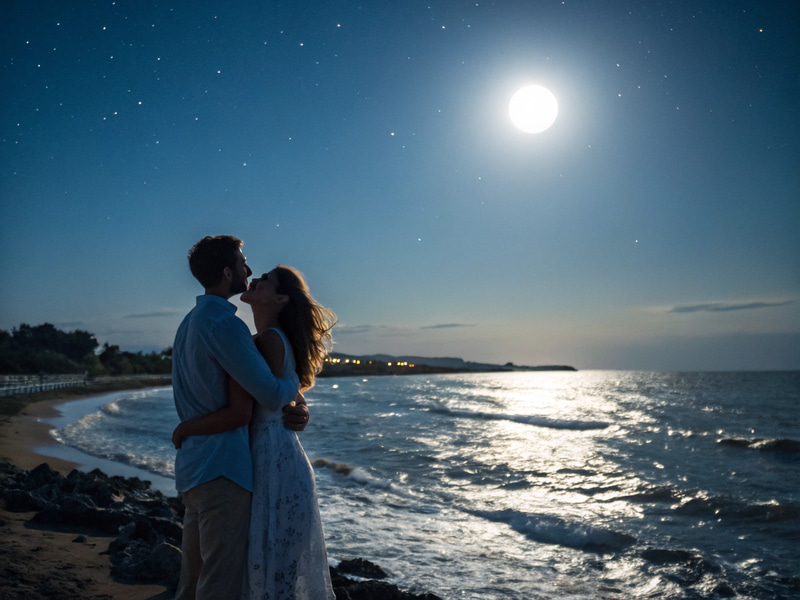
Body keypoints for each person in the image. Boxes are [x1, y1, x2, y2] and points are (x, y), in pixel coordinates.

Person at [173, 264, 337, 600]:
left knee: (264, 562)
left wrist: (187, 428)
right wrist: (300, 404)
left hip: (270, 458)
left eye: (265, 280)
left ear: (280, 298)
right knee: (268, 563)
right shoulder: (262, 341)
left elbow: (269, 397)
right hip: (271, 455)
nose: (255, 279)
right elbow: (285, 393)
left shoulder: (267, 341)